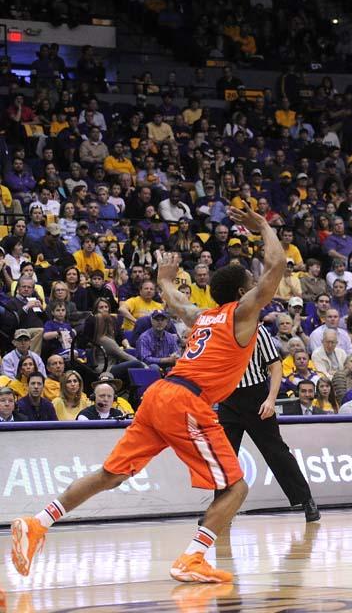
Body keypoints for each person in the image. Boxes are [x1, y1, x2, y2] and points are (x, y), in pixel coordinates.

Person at [10, 202, 286, 584]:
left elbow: (173, 297)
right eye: (251, 288)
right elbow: (277, 267)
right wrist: (263, 227)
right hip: (187, 401)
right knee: (236, 486)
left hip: (159, 395)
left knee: (110, 474)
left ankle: (37, 523)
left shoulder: (203, 316)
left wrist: (165, 276)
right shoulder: (241, 314)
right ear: (242, 292)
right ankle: (192, 557)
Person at [213, 324, 320, 522]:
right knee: (224, 456)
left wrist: (271, 399)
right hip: (228, 398)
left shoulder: (258, 330)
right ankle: (220, 511)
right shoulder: (218, 331)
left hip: (257, 397)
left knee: (276, 451)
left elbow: (276, 366)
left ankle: (306, 500)